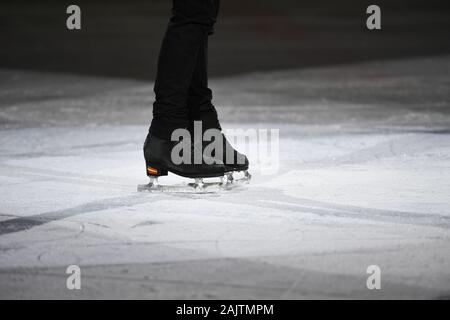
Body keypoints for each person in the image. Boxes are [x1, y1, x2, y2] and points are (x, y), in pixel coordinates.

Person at [143, 0, 249, 180]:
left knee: (202, 14)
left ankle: (199, 124)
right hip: (168, 131)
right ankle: (166, 132)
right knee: (192, 12)